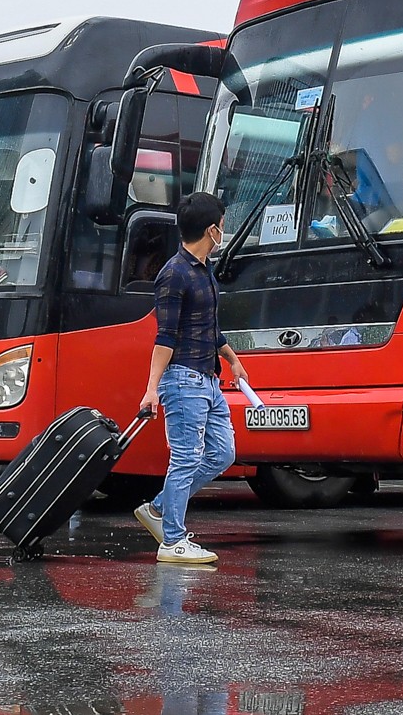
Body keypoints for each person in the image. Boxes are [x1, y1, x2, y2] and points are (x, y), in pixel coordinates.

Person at [135, 191, 246, 564]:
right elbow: (165, 336)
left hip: (209, 380)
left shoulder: (204, 270)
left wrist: (232, 360)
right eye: (223, 225)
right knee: (186, 457)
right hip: (183, 380)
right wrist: (151, 389)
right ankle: (172, 541)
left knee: (223, 453)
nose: (224, 232)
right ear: (212, 230)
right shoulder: (173, 274)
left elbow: (208, 328)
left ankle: (159, 509)